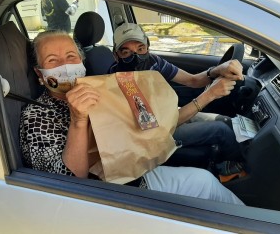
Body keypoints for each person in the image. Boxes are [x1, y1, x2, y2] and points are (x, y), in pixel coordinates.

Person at [19, 30, 244, 205]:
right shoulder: (37, 115)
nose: (65, 65)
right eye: (52, 60)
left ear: (81, 62)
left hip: (135, 173)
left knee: (206, 182)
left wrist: (212, 84)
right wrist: (78, 120)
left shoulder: (105, 88)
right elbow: (70, 186)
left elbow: (151, 124)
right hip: (109, 197)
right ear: (40, 73)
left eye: (70, 57)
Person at [109, 23, 244, 163]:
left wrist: (216, 70)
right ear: (116, 56)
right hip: (151, 134)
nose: (135, 56)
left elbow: (192, 80)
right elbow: (160, 126)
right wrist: (210, 94)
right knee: (220, 130)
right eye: (126, 52)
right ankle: (237, 173)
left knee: (226, 121)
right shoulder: (117, 82)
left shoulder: (153, 62)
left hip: (165, 114)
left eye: (140, 48)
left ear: (148, 46)